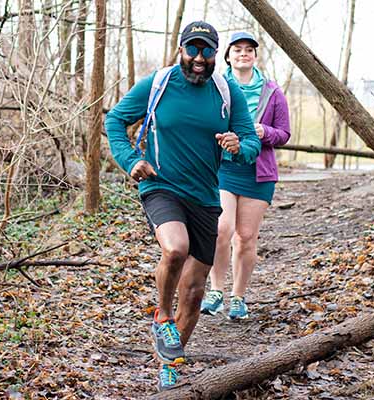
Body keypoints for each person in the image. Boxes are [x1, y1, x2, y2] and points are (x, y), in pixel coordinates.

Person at [105, 21, 261, 391]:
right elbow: (115, 119)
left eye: (207, 51)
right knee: (176, 248)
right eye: (192, 49)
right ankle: (162, 316)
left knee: (192, 294)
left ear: (214, 54)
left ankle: (170, 363)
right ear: (180, 50)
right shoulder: (157, 84)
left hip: (205, 197)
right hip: (161, 186)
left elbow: (251, 142)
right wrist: (130, 160)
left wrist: (239, 147)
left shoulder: (227, 92)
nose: (199, 59)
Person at [200, 32, 291, 320]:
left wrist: (265, 133)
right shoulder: (215, 87)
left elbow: (285, 133)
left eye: (249, 50)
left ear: (255, 56)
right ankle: (215, 290)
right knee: (221, 229)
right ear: (228, 56)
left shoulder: (272, 92)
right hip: (222, 168)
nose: (243, 54)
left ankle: (238, 298)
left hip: (258, 172)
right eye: (237, 50)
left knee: (247, 237)